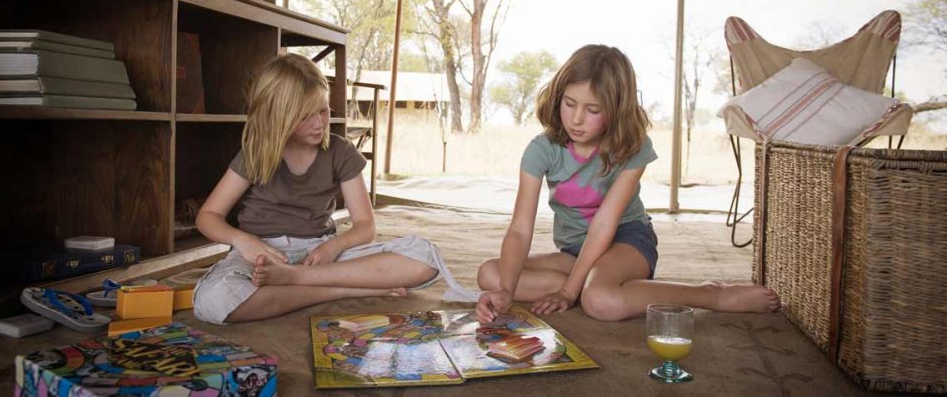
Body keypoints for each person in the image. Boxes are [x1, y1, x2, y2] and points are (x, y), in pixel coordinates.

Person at [475, 45, 780, 323]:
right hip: (574, 251)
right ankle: (587, 281)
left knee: (600, 301)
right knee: (491, 274)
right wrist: (507, 290)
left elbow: (604, 224)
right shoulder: (541, 149)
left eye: (593, 110)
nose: (576, 119)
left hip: (626, 241)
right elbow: (520, 229)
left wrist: (568, 292)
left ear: (616, 109)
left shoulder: (633, 146)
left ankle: (711, 294)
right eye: (569, 103)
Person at [193, 53, 443, 324]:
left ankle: (298, 279)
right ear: (277, 116)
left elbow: (365, 226)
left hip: (320, 253)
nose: (319, 123)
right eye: (304, 116)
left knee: (425, 258)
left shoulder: (340, 151)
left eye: (323, 110)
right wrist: (242, 241)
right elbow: (207, 216)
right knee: (213, 300)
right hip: (263, 255)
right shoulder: (255, 153)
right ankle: (339, 290)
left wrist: (332, 248)